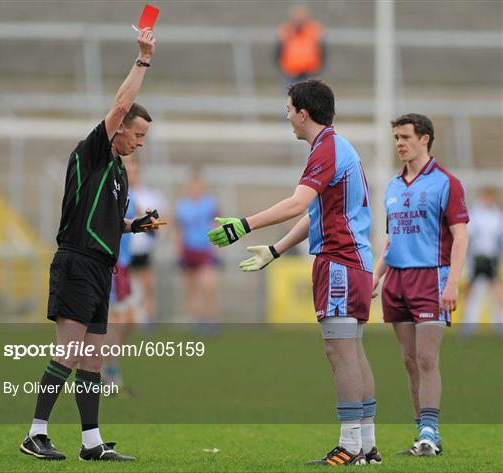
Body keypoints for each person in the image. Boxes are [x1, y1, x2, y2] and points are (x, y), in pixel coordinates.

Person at [208, 80, 380, 466]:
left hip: (340, 261)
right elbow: (314, 213)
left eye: (288, 108)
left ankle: (350, 445)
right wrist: (275, 249)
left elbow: (296, 203)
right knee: (352, 350)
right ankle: (367, 445)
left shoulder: (327, 148)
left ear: (303, 112)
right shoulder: (337, 147)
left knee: (340, 353)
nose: (286, 115)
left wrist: (244, 224)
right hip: (353, 261)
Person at [20, 28, 160, 462]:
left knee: (94, 361)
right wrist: (143, 59)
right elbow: (120, 104)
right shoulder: (92, 152)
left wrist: (134, 226)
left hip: (100, 269)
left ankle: (91, 443)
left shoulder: (117, 170)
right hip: (76, 264)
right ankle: (35, 433)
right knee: (71, 352)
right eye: (136, 133)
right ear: (117, 130)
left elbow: (103, 220)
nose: (139, 141)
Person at [372, 113, 469, 456]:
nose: (399, 143)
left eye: (405, 137)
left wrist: (453, 281)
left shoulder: (446, 182)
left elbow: (460, 236)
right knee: (410, 361)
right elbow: (391, 239)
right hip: (396, 280)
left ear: (425, 138)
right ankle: (423, 435)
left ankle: (431, 435)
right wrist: (376, 274)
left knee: (428, 358)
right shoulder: (394, 185)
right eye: (396, 137)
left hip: (431, 278)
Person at [125, 154, 168, 326]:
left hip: (143, 250)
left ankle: (148, 321)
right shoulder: (116, 193)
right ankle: (128, 320)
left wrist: (149, 226)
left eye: (132, 165)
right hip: (122, 251)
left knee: (147, 286)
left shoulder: (150, 195)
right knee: (124, 290)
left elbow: (161, 223)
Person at [102, 190, 137, 394]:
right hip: (111, 262)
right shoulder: (110, 189)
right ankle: (110, 373)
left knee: (128, 319)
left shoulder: (130, 194)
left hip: (124, 265)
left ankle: (105, 367)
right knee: (114, 319)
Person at [176, 169, 220, 328]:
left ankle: (211, 320)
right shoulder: (182, 205)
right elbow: (179, 229)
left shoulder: (209, 203)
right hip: (188, 250)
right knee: (192, 289)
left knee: (208, 287)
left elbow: (216, 223)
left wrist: (216, 248)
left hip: (204, 249)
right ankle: (196, 320)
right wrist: (179, 250)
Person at [460, 187, 502, 336]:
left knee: (496, 290)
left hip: (491, 256)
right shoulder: (474, 214)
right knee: (470, 291)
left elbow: (499, 237)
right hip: (476, 256)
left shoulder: (497, 215)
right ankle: (467, 324)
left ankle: (499, 324)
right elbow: (468, 235)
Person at [276, 4, 325, 86]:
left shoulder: (314, 30)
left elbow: (322, 49)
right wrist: (281, 67)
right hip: (291, 72)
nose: (299, 19)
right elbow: (278, 50)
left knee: (311, 97)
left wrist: (318, 68)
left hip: (310, 72)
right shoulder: (286, 30)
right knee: (291, 95)